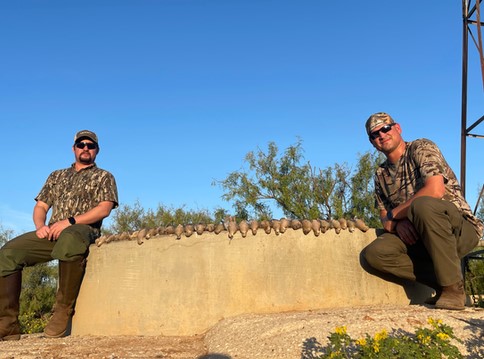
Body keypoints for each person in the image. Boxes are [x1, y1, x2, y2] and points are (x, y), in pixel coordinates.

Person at [0, 130, 118, 340]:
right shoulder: (57, 175)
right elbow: (41, 206)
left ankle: (62, 311)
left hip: (83, 229)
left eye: (90, 146)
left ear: (96, 151)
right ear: (73, 148)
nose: (85, 148)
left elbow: (104, 209)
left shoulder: (104, 176)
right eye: (81, 144)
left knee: (70, 238)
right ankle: (8, 325)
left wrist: (70, 221)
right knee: (8, 252)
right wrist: (40, 226)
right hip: (52, 231)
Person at [363, 112, 483, 310]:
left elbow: (435, 190)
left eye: (385, 128)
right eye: (375, 134)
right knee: (376, 253)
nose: (381, 135)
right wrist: (398, 224)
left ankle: (453, 291)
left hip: (459, 230)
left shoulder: (421, 147)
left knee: (422, 205)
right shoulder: (380, 175)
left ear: (397, 128)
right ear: (372, 142)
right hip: (421, 237)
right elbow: (385, 219)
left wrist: (396, 215)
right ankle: (445, 281)